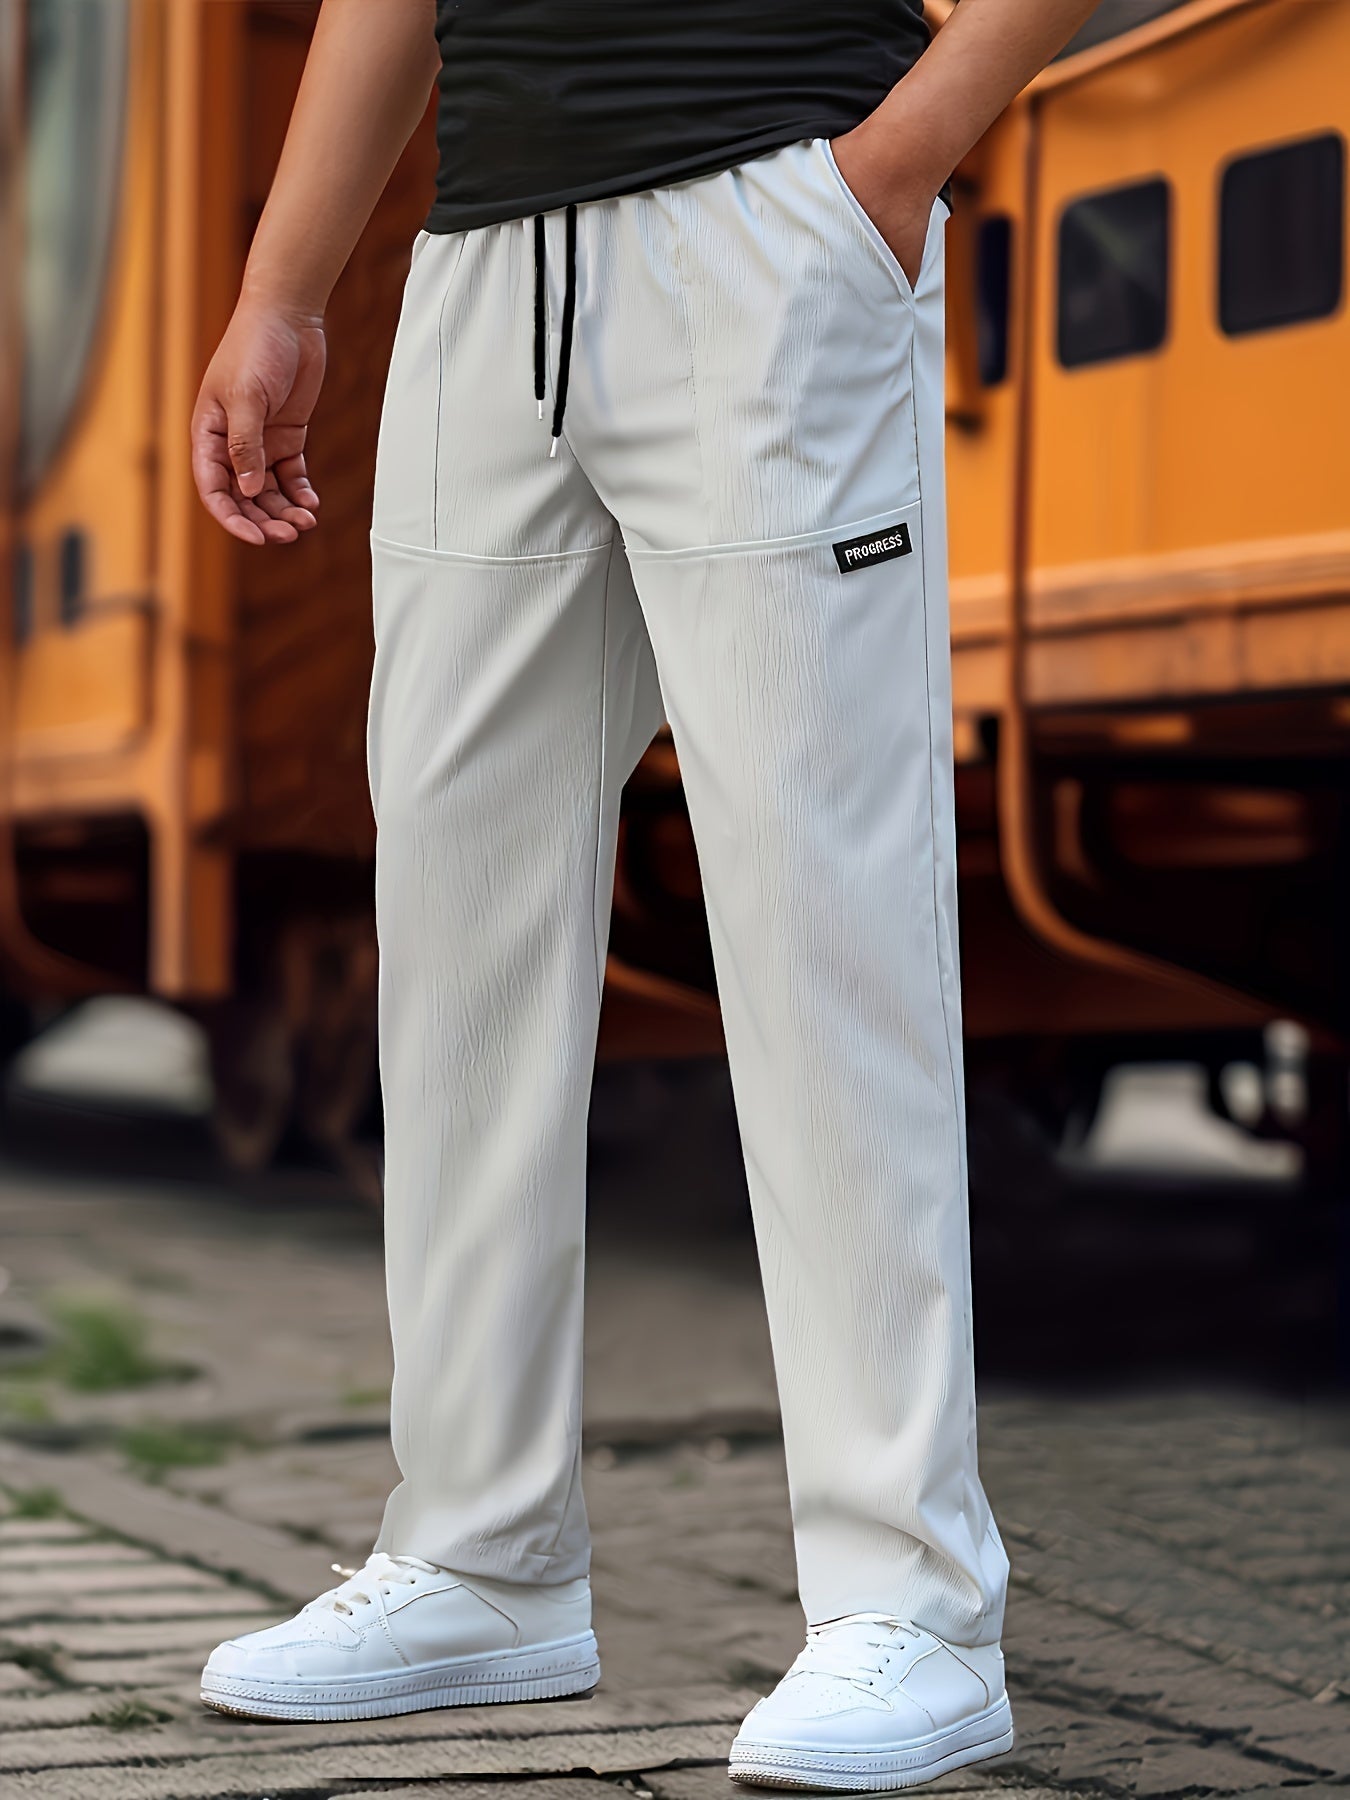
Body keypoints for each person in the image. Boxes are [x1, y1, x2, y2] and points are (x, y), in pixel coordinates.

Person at [191, 0, 1097, 1787]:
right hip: (476, 266)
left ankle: (913, 1599)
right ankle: (481, 1554)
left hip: (771, 221)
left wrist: (892, 169)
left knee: (817, 913)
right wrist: (283, 289)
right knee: (458, 936)